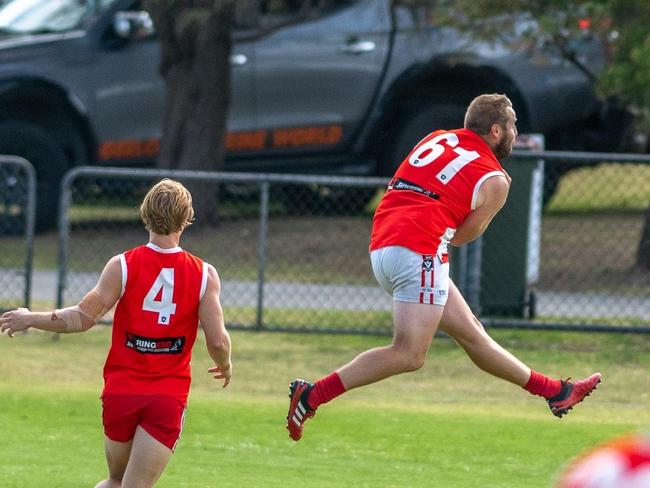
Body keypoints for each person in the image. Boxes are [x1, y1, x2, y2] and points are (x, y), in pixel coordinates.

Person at [286, 93, 601, 442]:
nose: (516, 132)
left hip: (383, 245)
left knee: (473, 335)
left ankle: (555, 392)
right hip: (418, 251)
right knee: (409, 354)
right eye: (512, 125)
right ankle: (312, 394)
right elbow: (464, 236)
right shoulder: (495, 179)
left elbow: (412, 189)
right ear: (496, 130)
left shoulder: (435, 137)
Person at [1, 179, 232, 487]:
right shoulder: (204, 274)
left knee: (115, 481)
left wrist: (31, 318)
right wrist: (225, 364)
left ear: (145, 213)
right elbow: (217, 340)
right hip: (167, 395)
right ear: (186, 218)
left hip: (121, 392)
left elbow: (81, 318)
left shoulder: (122, 265)